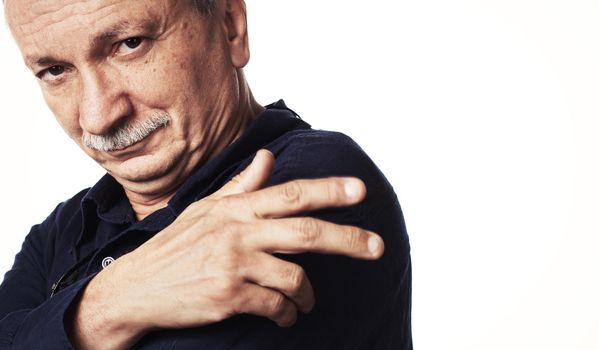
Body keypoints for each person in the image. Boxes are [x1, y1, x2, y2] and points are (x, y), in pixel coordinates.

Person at [0, 0, 412, 349]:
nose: (98, 117)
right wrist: (107, 305)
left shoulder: (314, 182)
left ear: (231, 27)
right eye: (55, 70)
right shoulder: (59, 232)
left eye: (129, 44)